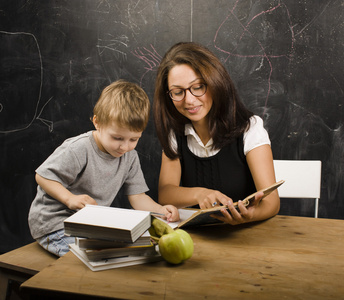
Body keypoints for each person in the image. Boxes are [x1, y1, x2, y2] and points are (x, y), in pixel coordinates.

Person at [28, 79, 179, 257]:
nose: (124, 147)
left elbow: (137, 197)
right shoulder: (79, 148)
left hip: (89, 226)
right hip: (56, 224)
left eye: (133, 139)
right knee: (92, 258)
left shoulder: (129, 157)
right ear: (97, 122)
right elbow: (43, 176)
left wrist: (160, 211)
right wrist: (69, 199)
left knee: (134, 250)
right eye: (117, 138)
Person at [153, 42, 279, 225]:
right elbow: (165, 193)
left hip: (246, 236)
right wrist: (200, 194)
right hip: (198, 238)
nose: (189, 100)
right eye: (178, 92)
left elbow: (272, 202)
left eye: (197, 87)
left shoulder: (250, 128)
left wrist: (249, 215)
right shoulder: (175, 132)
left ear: (215, 82)